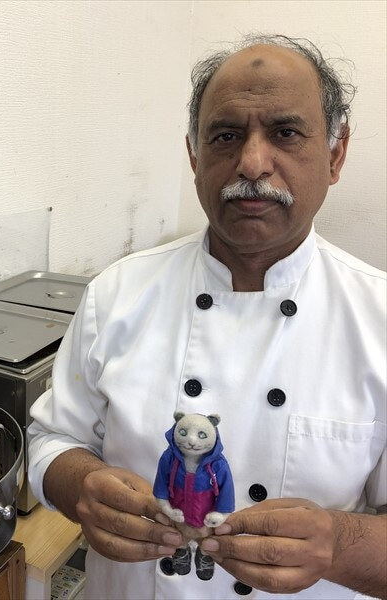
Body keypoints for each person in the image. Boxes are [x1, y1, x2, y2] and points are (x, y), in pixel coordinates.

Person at [27, 34, 386, 600]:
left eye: (286, 133)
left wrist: (340, 543)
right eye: (226, 136)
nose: (252, 163)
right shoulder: (116, 293)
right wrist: (81, 488)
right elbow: (51, 438)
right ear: (195, 156)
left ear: (336, 154)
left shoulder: (379, 317)